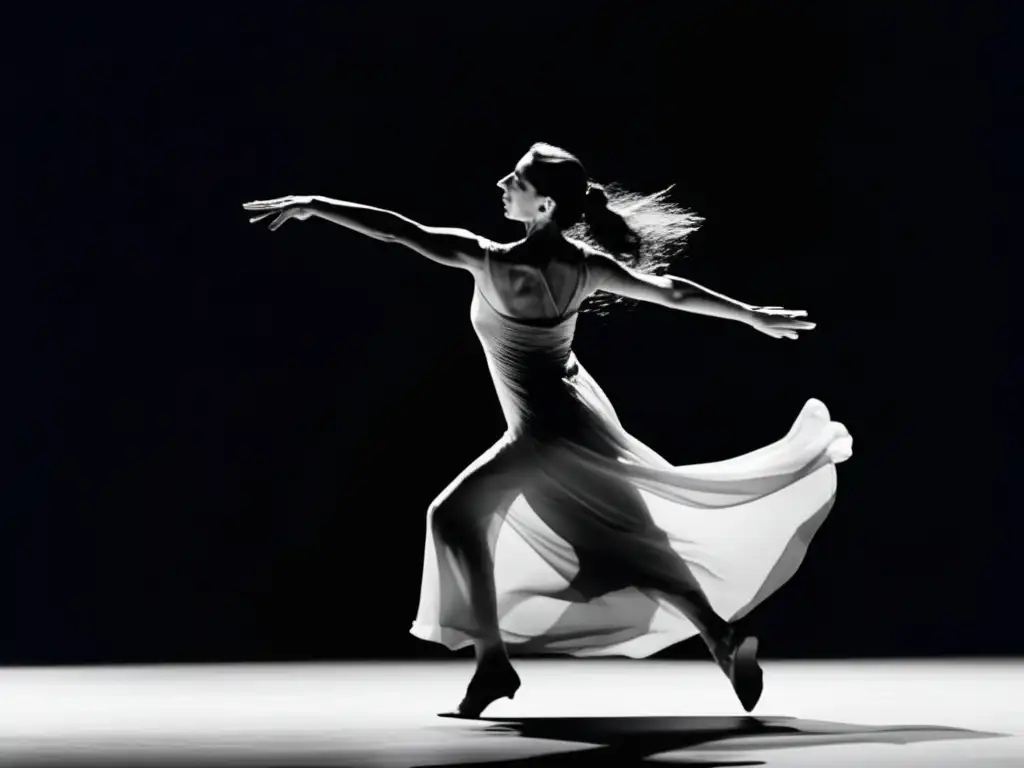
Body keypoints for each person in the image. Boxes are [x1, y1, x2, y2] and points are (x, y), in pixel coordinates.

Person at [243, 142, 852, 719]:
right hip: (571, 415)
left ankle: (495, 665)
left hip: (543, 432)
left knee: (462, 520)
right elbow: (671, 293)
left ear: (545, 205)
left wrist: (316, 206)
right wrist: (749, 315)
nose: (503, 185)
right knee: (624, 542)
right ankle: (715, 638)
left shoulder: (490, 260)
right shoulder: (584, 266)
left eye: (518, 180)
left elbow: (402, 232)